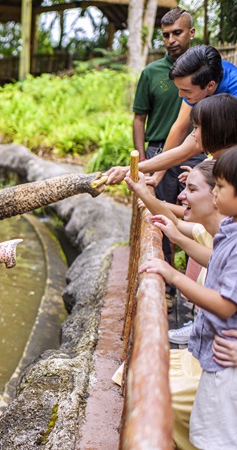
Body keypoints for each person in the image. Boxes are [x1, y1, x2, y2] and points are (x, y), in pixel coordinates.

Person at [139, 148, 237, 449]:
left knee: (215, 439)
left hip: (225, 361)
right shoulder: (229, 229)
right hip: (214, 354)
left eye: (221, 187)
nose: (216, 193)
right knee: (204, 433)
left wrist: (173, 275)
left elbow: (226, 304)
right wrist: (177, 238)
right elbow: (213, 259)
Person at [132, 8, 198, 310]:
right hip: (159, 151)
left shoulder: (206, 70)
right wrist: (143, 159)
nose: (171, 40)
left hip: (195, 152)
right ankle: (168, 287)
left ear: (191, 33)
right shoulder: (151, 72)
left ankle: (198, 285)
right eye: (166, 35)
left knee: (197, 214)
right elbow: (139, 119)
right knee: (160, 216)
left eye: (177, 33)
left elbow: (187, 126)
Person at [106, 46, 237, 185]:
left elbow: (191, 147)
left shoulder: (232, 94)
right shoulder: (202, 76)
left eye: (186, 91)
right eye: (179, 89)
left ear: (210, 86)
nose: (180, 95)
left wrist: (131, 169)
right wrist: (157, 176)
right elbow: (180, 128)